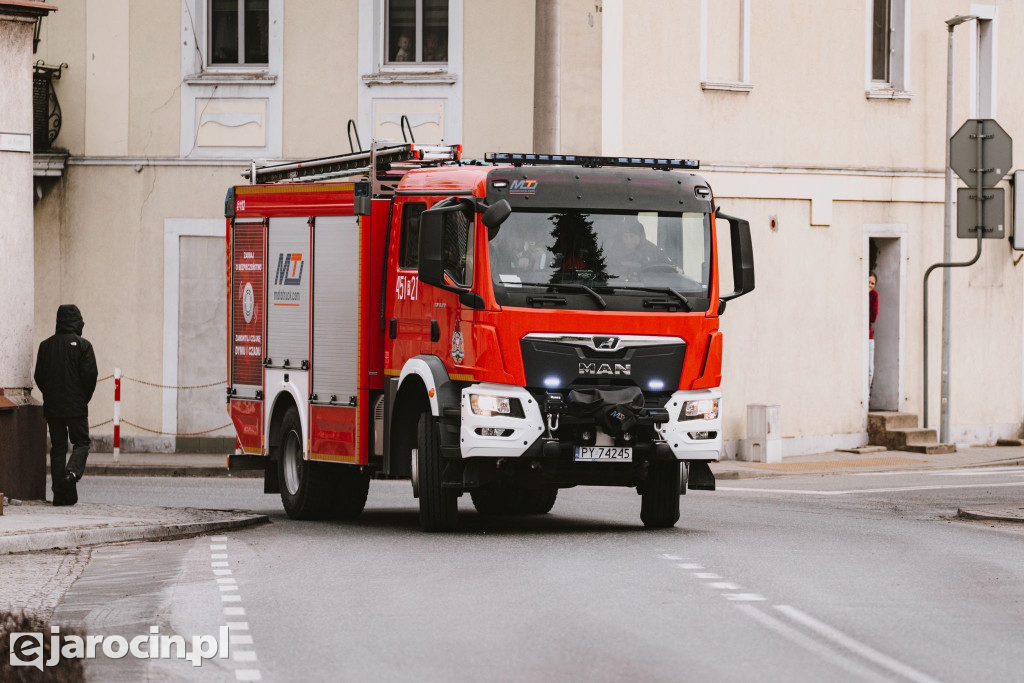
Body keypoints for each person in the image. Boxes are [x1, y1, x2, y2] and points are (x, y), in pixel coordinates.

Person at [34, 304, 98, 506]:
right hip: (76, 406)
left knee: (58, 447)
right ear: (78, 322)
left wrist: (50, 395)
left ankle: (60, 495)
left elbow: (39, 376)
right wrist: (83, 398)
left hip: (53, 407)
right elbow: (90, 377)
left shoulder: (46, 346)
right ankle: (71, 475)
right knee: (82, 442)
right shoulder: (83, 345)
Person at [868, 272, 878, 391]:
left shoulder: (874, 296)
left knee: (870, 369)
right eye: (868, 282)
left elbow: (873, 318)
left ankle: (867, 395)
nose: (870, 285)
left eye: (873, 283)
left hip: (869, 336)